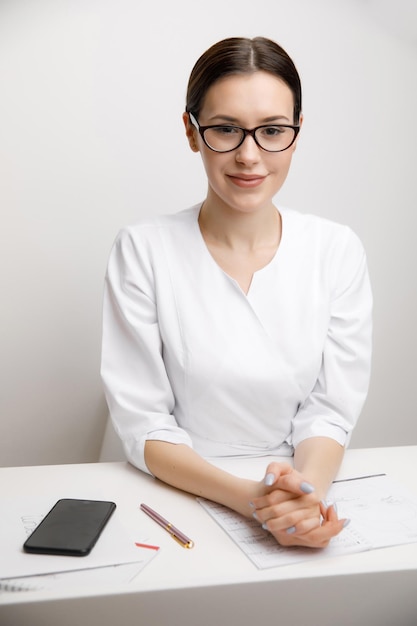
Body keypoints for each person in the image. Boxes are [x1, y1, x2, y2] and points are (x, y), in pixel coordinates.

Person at [101, 36, 372, 549]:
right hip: (177, 490)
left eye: (272, 131)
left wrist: (303, 493)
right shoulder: (142, 248)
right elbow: (145, 423)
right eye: (226, 129)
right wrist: (253, 501)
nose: (250, 156)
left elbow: (330, 409)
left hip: (294, 476)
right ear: (192, 132)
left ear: (296, 135)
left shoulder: (337, 249)